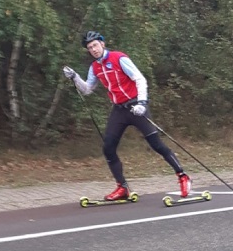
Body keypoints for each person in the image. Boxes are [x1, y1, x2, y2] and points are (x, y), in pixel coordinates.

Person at [63, 30, 192, 201]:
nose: (93, 49)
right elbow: (87, 89)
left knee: (156, 144)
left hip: (136, 106)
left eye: (95, 45)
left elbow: (140, 79)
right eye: (89, 48)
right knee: (108, 148)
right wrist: (75, 77)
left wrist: (142, 103)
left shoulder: (119, 58)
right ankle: (122, 187)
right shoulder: (95, 67)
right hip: (119, 110)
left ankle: (182, 176)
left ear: (102, 43)